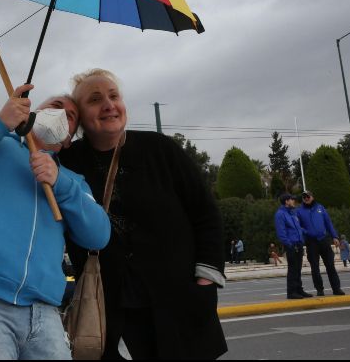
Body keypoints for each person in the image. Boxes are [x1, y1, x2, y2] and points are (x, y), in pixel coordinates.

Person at [0, 85, 111, 360]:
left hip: (44, 309)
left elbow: (98, 235)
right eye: (56, 105)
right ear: (33, 112)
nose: (61, 114)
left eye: (71, 116)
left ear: (68, 140)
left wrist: (59, 182)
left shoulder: (73, 181)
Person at [60, 69, 226, 360]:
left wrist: (206, 280)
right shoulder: (66, 161)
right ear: (80, 118)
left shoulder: (160, 149)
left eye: (114, 96)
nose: (109, 105)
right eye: (95, 99)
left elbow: (206, 215)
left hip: (179, 303)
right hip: (107, 312)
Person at [297, 191, 345, 296]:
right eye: (304, 197)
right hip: (311, 242)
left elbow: (328, 223)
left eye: (308, 196)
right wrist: (306, 232)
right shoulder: (299, 211)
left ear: (312, 197)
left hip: (324, 240)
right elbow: (298, 226)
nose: (306, 198)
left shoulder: (320, 208)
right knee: (315, 268)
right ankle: (319, 290)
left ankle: (336, 289)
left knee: (330, 265)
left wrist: (335, 236)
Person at [274, 193, 313, 299]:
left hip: (298, 244)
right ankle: (291, 292)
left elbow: (298, 228)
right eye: (292, 199)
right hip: (291, 245)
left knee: (298, 269)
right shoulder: (280, 214)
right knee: (293, 269)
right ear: (286, 201)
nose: (294, 201)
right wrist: (289, 244)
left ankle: (299, 290)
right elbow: (281, 233)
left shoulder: (292, 213)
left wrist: (309, 232)